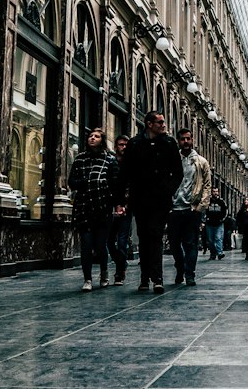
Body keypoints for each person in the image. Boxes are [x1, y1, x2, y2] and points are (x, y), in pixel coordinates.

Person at [121, 110, 183, 293]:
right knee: (144, 236)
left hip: (160, 200)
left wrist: (168, 190)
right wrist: (120, 199)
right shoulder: (134, 144)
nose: (164, 125)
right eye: (160, 122)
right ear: (149, 124)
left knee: (155, 235)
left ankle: (156, 278)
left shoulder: (169, 144)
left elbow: (178, 172)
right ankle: (144, 277)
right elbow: (125, 172)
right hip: (140, 199)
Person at [68, 127, 122, 290]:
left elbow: (115, 184)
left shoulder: (109, 160)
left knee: (100, 245)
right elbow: (72, 182)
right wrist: (84, 182)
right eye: (90, 136)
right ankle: (88, 279)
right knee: (86, 244)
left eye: (96, 136)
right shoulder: (80, 159)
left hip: (103, 208)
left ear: (102, 140)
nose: (92, 138)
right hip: (84, 207)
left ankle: (104, 273)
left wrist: (116, 204)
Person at [168, 127, 211, 286]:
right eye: (182, 139)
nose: (185, 142)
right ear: (178, 141)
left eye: (188, 138)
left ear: (192, 140)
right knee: (174, 244)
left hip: (192, 209)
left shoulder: (201, 162)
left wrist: (201, 206)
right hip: (174, 208)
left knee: (191, 243)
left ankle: (190, 273)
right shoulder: (172, 160)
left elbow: (207, 185)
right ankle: (180, 267)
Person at [108, 134, 132, 275]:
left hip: (126, 207)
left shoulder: (132, 165)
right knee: (109, 241)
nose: (123, 147)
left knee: (122, 240)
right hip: (110, 206)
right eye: (121, 145)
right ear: (116, 147)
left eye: (126, 145)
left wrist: (126, 204)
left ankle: (120, 271)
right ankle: (121, 262)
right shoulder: (111, 163)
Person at [204, 190, 227, 259]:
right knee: (210, 240)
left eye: (216, 191)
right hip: (209, 223)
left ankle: (220, 253)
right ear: (211, 192)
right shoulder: (208, 201)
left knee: (218, 238)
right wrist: (205, 219)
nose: (215, 193)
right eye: (214, 191)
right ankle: (213, 253)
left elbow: (225, 211)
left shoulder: (221, 202)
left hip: (219, 223)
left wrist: (222, 219)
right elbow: (204, 209)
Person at [236, 195, 248, 261]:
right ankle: (247, 254)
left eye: (247, 200)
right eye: (245, 200)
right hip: (245, 227)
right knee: (246, 240)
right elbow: (238, 217)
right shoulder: (243, 210)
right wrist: (239, 225)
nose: (245, 201)